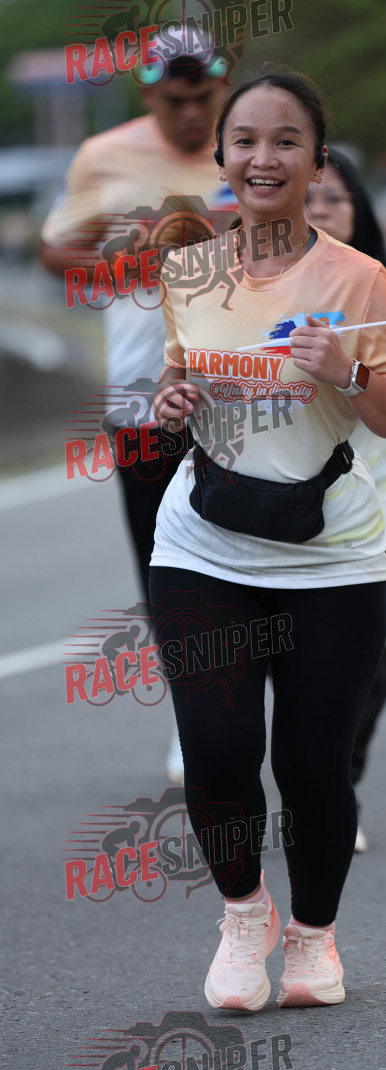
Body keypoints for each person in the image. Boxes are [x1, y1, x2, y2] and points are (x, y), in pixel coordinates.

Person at [150, 67, 386, 1010]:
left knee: (312, 763)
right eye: (245, 141)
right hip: (203, 542)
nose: (262, 158)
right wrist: (173, 400)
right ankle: (243, 916)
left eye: (285, 141)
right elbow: (181, 378)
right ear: (221, 155)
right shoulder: (188, 271)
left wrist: (348, 370)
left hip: (330, 554)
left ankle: (312, 938)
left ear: (317, 160)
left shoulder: (360, 278)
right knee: (216, 750)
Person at [40, 43, 229, 784]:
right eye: (174, 102)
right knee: (166, 567)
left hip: (246, 392)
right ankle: (196, 714)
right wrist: (127, 265)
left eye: (203, 98)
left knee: (256, 552)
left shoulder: (251, 149)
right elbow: (56, 252)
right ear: (147, 95)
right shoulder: (104, 155)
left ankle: (269, 697)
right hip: (140, 395)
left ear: (222, 89)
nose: (191, 115)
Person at [304, 146, 386, 852]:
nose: (322, 210)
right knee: (298, 659)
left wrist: (347, 368)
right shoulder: (253, 289)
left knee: (361, 655)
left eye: (336, 198)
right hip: (279, 500)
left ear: (359, 211)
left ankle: (338, 787)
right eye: (309, 199)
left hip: (377, 497)